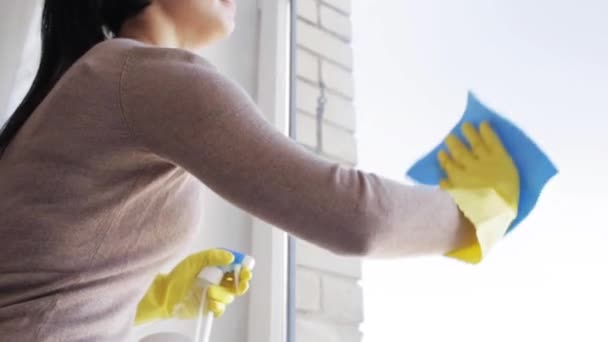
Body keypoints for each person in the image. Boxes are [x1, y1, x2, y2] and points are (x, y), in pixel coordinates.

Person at [0, 0, 519, 341]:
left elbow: (41, 293)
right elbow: (355, 216)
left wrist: (155, 298)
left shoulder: (103, 77)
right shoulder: (143, 77)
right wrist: (482, 208)